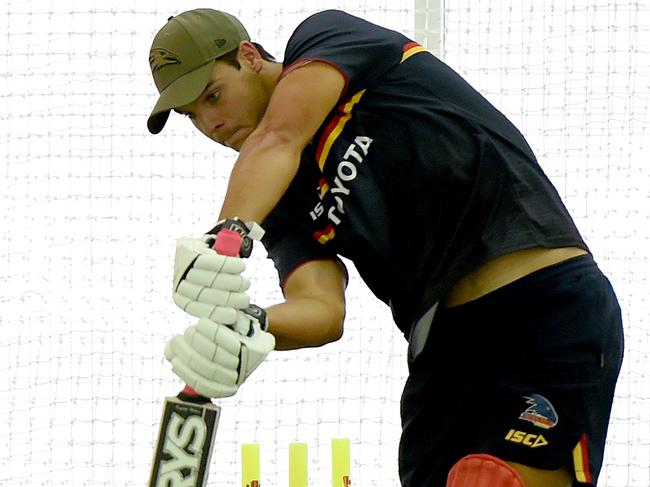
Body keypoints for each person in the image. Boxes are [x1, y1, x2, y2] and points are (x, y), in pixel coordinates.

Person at [146, 8, 624, 487]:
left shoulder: (326, 39)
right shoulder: (280, 203)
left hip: (539, 309)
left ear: (249, 57)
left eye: (213, 95)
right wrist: (254, 327)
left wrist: (226, 236)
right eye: (194, 115)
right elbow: (322, 310)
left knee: (491, 480)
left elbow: (279, 137)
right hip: (443, 359)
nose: (210, 123)